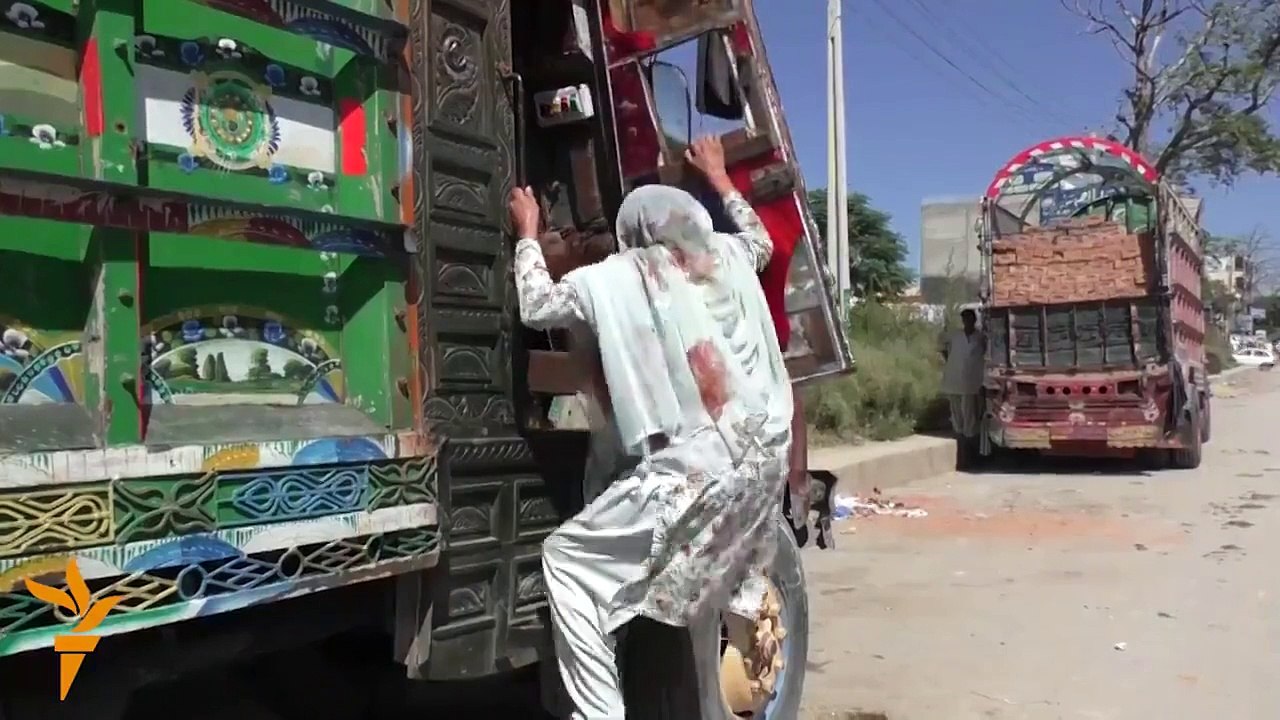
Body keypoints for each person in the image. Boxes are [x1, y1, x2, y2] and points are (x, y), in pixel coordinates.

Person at [509, 135, 794, 719]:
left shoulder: (619, 277)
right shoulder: (729, 257)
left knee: (569, 565)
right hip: (765, 448)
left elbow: (536, 305)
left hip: (697, 467)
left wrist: (528, 236)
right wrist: (718, 176)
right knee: (723, 539)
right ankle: (745, 613)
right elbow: (760, 237)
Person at [940, 308, 985, 467]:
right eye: (965, 319)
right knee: (957, 416)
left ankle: (970, 455)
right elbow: (943, 349)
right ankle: (962, 451)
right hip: (954, 379)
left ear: (975, 320)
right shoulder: (955, 335)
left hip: (972, 382)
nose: (967, 322)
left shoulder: (980, 337)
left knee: (970, 417)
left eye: (970, 319)